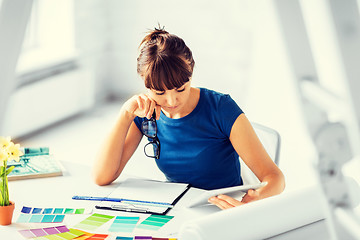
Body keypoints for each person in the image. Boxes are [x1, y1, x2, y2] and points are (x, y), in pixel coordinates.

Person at [93, 27, 285, 210]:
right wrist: (125, 114)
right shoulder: (145, 113)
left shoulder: (221, 108)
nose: (171, 100)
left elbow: (275, 178)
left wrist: (255, 199)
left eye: (180, 89)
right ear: (146, 85)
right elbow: (103, 176)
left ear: (191, 73)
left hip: (222, 208)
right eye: (159, 92)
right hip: (177, 207)